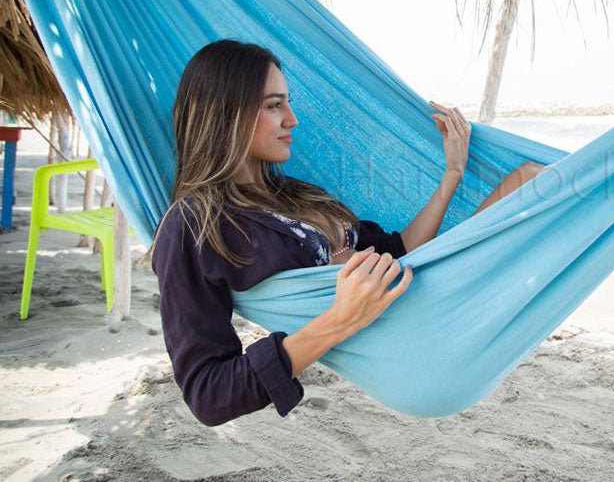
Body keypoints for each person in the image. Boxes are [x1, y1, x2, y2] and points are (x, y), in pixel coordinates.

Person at [144, 39, 547, 426]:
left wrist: (452, 174)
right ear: (225, 112)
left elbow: (401, 249)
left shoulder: (294, 194)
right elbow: (209, 395)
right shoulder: (193, 228)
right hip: (417, 339)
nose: (292, 120)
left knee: (535, 179)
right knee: (542, 184)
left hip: (431, 296)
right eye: (274, 105)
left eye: (287, 103)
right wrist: (341, 319)